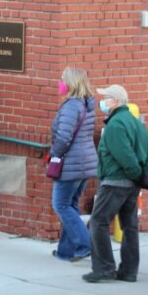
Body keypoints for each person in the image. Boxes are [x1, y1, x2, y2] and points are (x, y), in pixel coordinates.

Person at [82, 84, 148, 283]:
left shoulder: (115, 125)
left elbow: (124, 155)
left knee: (98, 222)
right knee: (129, 226)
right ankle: (129, 271)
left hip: (116, 182)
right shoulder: (137, 124)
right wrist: (145, 175)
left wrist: (137, 174)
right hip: (133, 184)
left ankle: (104, 268)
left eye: (105, 97)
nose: (102, 102)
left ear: (115, 101)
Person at [49, 67, 97, 262]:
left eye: (62, 80)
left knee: (60, 204)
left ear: (70, 83)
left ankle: (86, 244)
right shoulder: (87, 105)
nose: (60, 83)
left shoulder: (71, 106)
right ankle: (66, 251)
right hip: (86, 163)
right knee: (71, 205)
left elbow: (63, 137)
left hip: (71, 164)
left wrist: (54, 154)